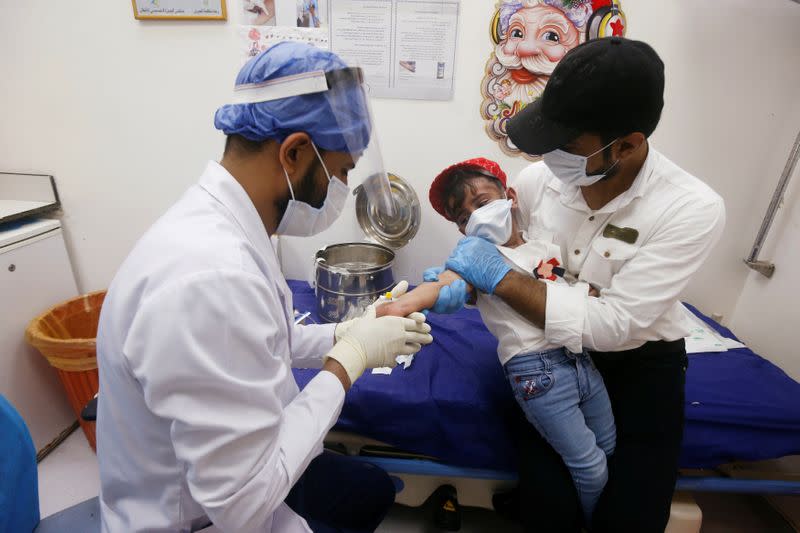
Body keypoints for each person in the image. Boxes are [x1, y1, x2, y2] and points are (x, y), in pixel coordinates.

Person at [96, 42, 433, 533]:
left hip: (249, 472)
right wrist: (349, 361)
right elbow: (243, 508)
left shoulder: (232, 226)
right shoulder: (210, 277)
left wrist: (352, 331)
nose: (341, 189)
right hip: (207, 516)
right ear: (294, 153)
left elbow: (268, 342)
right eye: (340, 171)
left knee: (371, 489)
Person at [426, 37, 726, 532]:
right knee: (552, 509)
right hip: (548, 358)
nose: (547, 156)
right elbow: (495, 253)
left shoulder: (691, 208)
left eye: (566, 144)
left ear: (626, 144)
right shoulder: (537, 181)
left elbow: (614, 326)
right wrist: (463, 283)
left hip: (638, 363)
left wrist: (497, 278)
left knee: (629, 517)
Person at [381, 157, 615, 521]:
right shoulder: (476, 255)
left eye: (483, 202)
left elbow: (564, 287)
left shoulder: (542, 245)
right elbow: (446, 285)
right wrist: (405, 302)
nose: (474, 216)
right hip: (539, 375)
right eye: (463, 217)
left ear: (510, 196)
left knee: (609, 445)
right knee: (591, 465)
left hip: (579, 357)